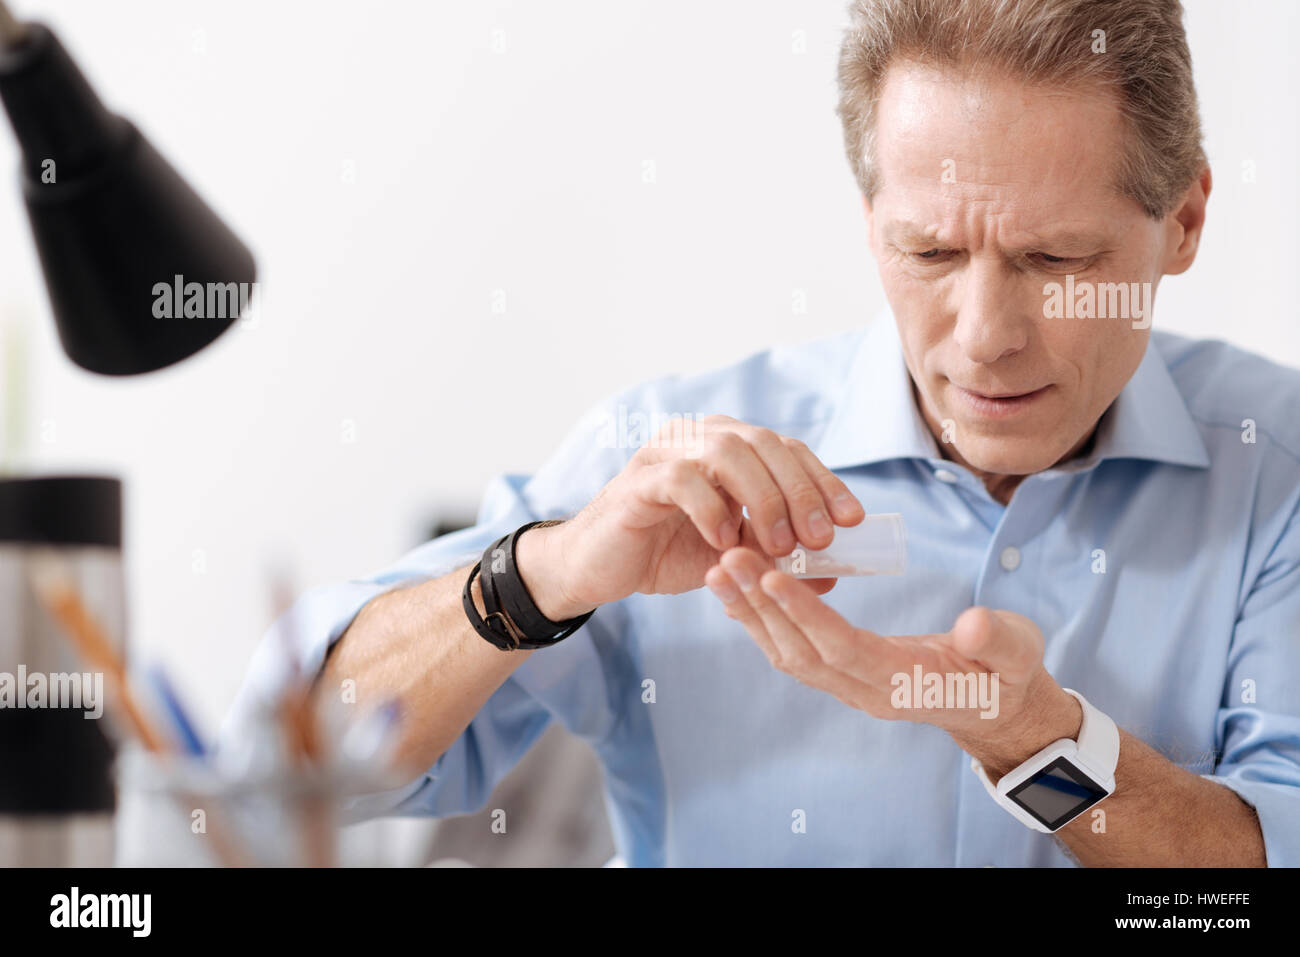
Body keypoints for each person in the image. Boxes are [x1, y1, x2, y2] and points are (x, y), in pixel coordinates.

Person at [226, 0, 1300, 866]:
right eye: (927, 254)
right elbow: (275, 781)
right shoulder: (661, 459)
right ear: (870, 221)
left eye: (1054, 262)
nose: (982, 340)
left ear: (1183, 223)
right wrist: (540, 576)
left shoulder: (1276, 474)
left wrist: (1036, 744)